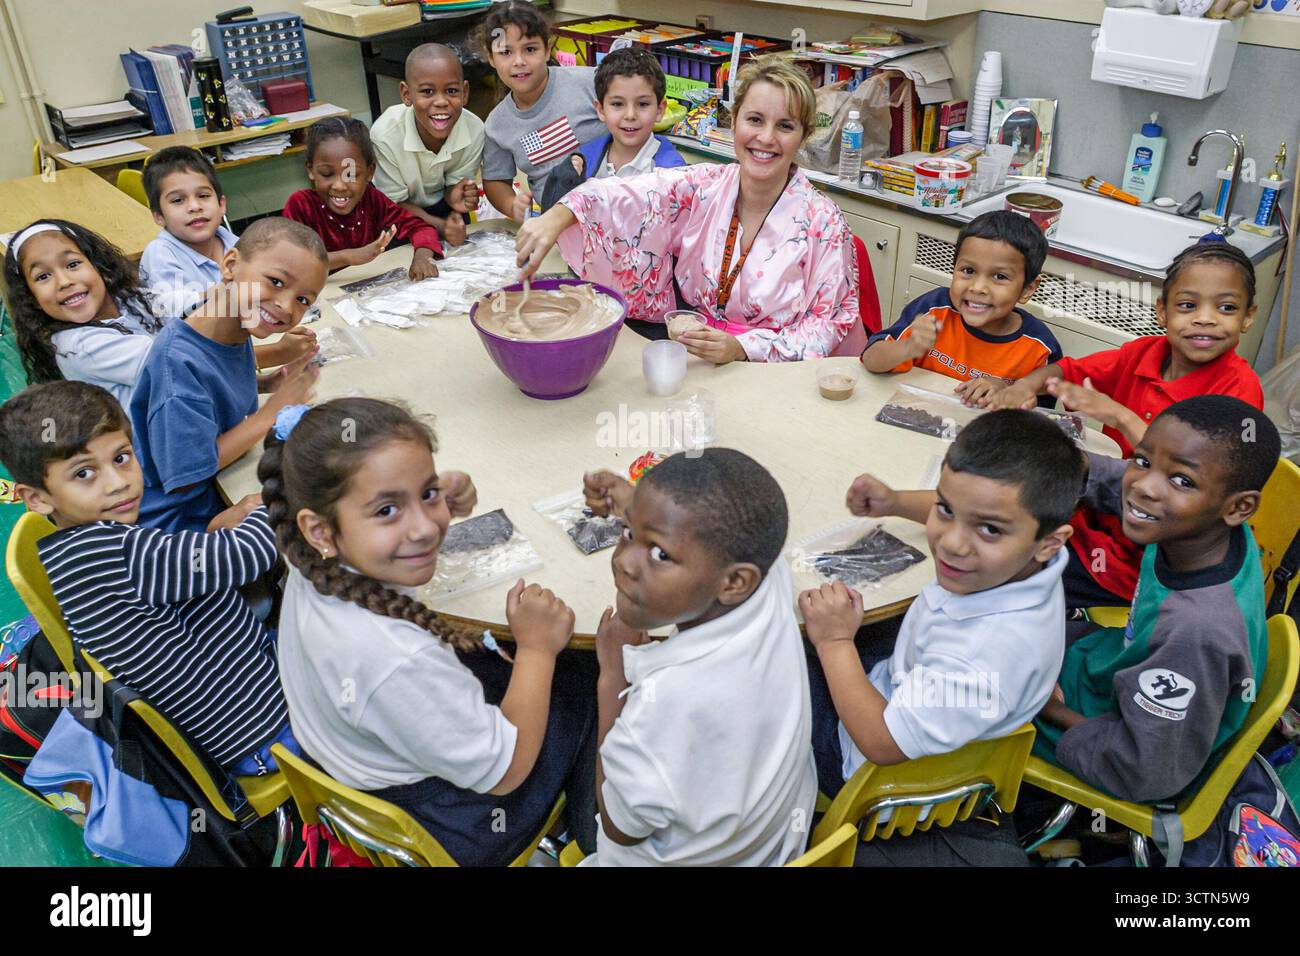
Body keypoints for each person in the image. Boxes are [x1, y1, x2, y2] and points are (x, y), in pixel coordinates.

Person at [264, 397, 596, 866]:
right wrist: (537, 650)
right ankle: (598, 837)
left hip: (358, 772)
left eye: (427, 493)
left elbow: (382, 504)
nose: (424, 528)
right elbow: (507, 771)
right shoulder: (395, 658)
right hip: (461, 822)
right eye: (386, 511)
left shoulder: (309, 556)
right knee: (591, 673)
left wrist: (435, 494)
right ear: (320, 530)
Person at [0, 380, 296, 772]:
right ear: (37, 498)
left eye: (121, 458)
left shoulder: (77, 546)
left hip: (234, 701)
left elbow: (185, 567)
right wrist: (275, 498)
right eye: (85, 473)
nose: (117, 482)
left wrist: (221, 530)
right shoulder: (114, 551)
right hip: (262, 730)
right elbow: (247, 555)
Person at [803, 412, 1082, 824]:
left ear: (1049, 542)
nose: (951, 544)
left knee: (770, 654)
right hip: (916, 690)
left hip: (866, 768)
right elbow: (971, 504)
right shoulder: (1036, 561)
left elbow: (881, 742)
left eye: (989, 531)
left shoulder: (980, 657)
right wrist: (895, 502)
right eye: (945, 510)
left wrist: (834, 643)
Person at [516, 55, 861, 363]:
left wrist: (744, 348)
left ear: (803, 136)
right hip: (693, 356)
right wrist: (560, 214)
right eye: (755, 120)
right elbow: (633, 196)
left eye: (785, 126)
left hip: (775, 378)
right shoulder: (703, 185)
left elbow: (831, 323)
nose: (766, 138)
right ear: (735, 121)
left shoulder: (824, 221)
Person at [982, 241, 1265, 608]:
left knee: (1006, 567)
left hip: (1141, 560)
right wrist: (1023, 386)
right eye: (1187, 305)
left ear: (1247, 317)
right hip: (1093, 520)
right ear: (1162, 311)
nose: (1205, 318)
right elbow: (1066, 371)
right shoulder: (1145, 352)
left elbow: (1199, 483)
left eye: (1225, 308)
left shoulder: (1238, 390)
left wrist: (1119, 416)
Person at [1035, 396, 1279, 803]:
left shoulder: (1196, 631)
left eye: (1182, 480)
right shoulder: (1200, 529)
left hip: (1103, 732)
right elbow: (1126, 484)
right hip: (1106, 665)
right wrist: (1067, 461)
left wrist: (1047, 707)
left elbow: (1142, 771)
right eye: (1144, 460)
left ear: (1239, 506)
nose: (1144, 487)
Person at [581, 449, 817, 865]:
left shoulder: (666, 702)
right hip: (767, 846)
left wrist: (613, 676)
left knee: (569, 712)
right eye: (628, 533)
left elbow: (620, 828)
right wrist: (644, 510)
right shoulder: (766, 576)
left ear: (735, 581)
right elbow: (725, 525)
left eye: (659, 555)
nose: (624, 562)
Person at [129, 218, 325, 533]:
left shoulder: (230, 323)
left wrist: (264, 383)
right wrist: (271, 413)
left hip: (214, 489)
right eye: (275, 281)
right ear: (231, 264)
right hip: (179, 525)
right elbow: (187, 474)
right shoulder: (178, 363)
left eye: (303, 300)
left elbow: (211, 393)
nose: (286, 306)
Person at [139, 146, 317, 368]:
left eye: (203, 196)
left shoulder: (235, 244)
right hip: (191, 361)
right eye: (177, 201)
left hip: (238, 347)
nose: (194, 207)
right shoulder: (159, 254)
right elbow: (176, 314)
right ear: (158, 216)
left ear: (221, 204)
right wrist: (230, 290)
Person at [862, 210, 1060, 393]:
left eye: (999, 276)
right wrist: (908, 347)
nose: (977, 287)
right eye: (968, 271)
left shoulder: (1039, 348)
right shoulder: (934, 309)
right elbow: (870, 359)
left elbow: (1038, 415)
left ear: (1027, 289)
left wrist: (1006, 391)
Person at [3, 219, 161, 409]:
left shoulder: (127, 300)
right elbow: (174, 359)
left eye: (72, 264)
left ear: (101, 268)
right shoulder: (78, 348)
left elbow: (178, 303)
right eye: (43, 276)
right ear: (33, 300)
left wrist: (204, 299)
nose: (64, 281)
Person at [475, 1, 604, 223]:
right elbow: (496, 181)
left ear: (547, 49)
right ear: (490, 57)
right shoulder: (496, 124)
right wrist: (511, 205)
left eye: (530, 49)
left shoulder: (590, 82)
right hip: (555, 225)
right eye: (505, 52)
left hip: (612, 207)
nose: (519, 61)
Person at [283, 117, 442, 280]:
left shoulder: (372, 200)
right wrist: (348, 256)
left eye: (350, 175)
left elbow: (420, 227)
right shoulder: (301, 205)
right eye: (326, 174)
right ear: (310, 170)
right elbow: (293, 261)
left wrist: (423, 257)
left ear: (370, 172)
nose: (339, 185)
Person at [370, 43, 483, 248]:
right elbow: (393, 205)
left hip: (443, 207)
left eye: (451, 91)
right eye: (427, 91)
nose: (441, 102)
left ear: (465, 92)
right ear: (406, 94)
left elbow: (453, 189)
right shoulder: (385, 136)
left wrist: (456, 196)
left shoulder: (475, 130)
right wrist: (439, 227)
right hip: (397, 211)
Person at [577, 46, 685, 180]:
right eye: (617, 104)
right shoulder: (582, 160)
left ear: (660, 110)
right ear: (600, 110)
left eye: (643, 104)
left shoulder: (672, 175)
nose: (630, 115)